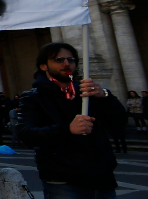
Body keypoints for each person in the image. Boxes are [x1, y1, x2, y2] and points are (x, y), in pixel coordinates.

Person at [18, 42, 127, 198]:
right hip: (64, 181)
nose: (66, 63)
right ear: (44, 66)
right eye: (58, 59)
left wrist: (105, 97)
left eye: (71, 59)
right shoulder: (33, 97)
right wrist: (67, 129)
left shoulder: (88, 93)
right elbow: (25, 134)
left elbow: (119, 125)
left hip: (103, 178)